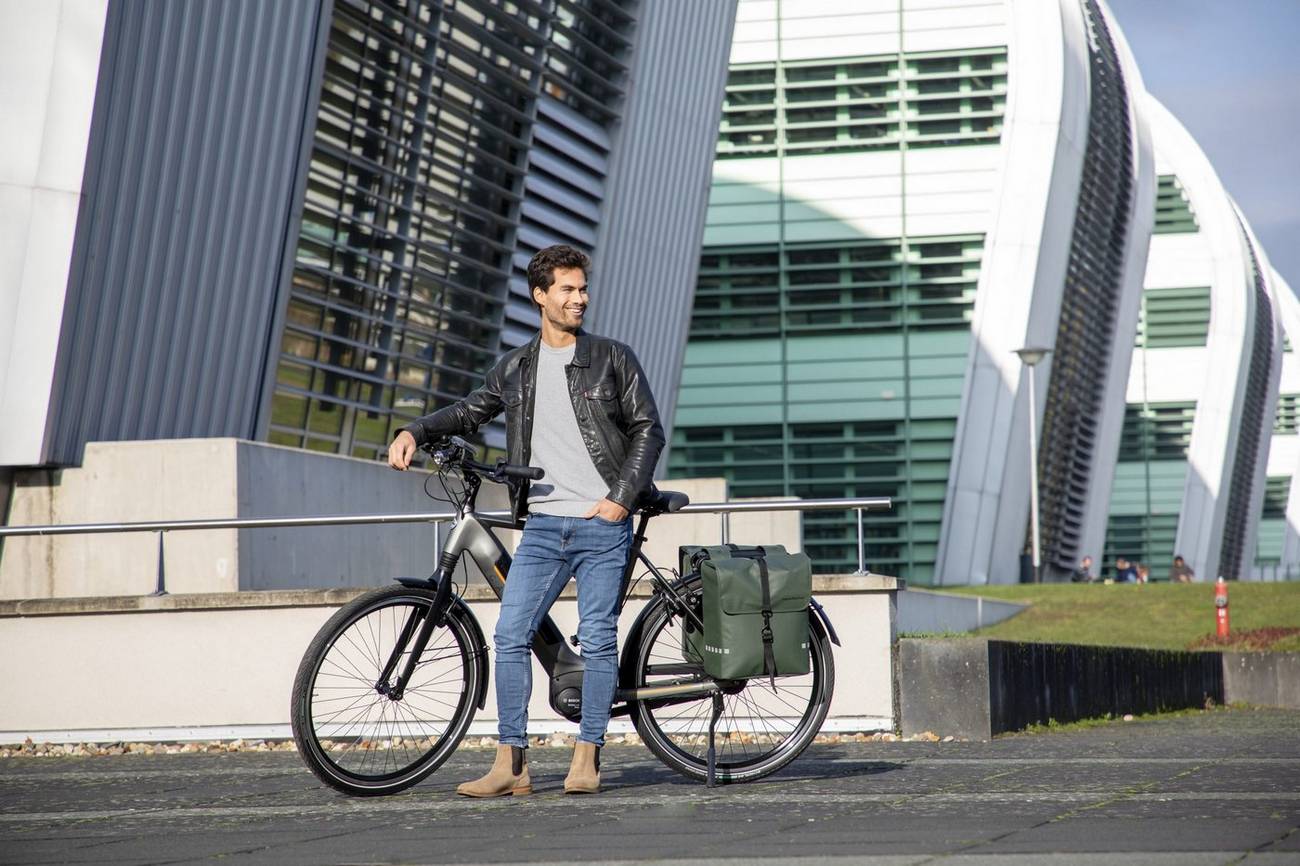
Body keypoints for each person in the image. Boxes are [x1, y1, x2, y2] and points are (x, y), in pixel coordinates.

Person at [387, 244, 664, 797]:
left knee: (598, 639)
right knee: (511, 636)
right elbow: (470, 410)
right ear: (540, 296)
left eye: (582, 288)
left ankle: (587, 754)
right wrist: (415, 430)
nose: (579, 298)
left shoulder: (613, 357)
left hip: (601, 523)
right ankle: (511, 764)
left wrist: (619, 498)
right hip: (541, 526)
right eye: (567, 289)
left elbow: (647, 430)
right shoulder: (517, 367)